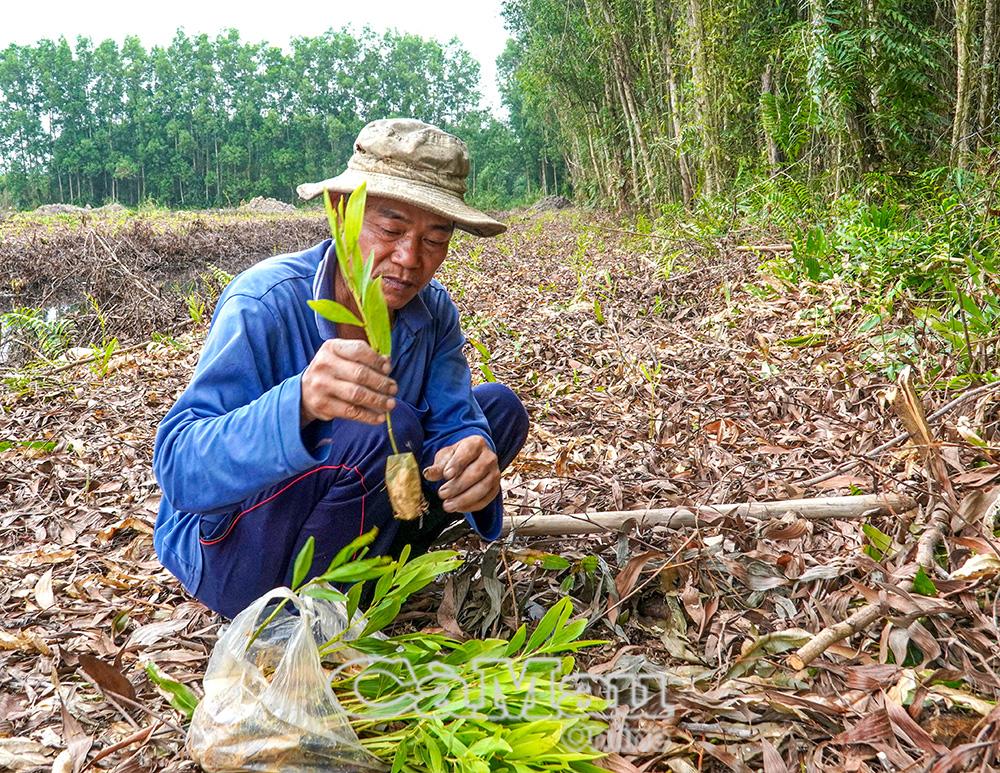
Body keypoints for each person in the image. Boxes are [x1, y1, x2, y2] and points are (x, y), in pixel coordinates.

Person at [152, 118, 529, 619]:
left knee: (498, 411)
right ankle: (304, 616)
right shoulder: (263, 302)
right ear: (340, 213)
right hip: (236, 551)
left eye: (435, 240)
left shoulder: (432, 311)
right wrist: (300, 403)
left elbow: (454, 418)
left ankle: (387, 558)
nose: (410, 258)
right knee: (376, 424)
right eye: (391, 229)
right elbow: (181, 468)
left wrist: (471, 458)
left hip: (377, 506)